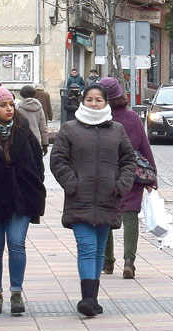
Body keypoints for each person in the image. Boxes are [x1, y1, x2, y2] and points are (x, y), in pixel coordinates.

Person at [51, 84, 137, 318]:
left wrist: (120, 185)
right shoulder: (69, 129)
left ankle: (93, 298)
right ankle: (87, 298)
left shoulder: (117, 130)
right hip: (80, 199)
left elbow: (129, 160)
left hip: (109, 199)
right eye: (89, 99)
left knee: (99, 250)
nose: (94, 104)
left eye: (98, 100)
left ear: (106, 103)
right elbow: (58, 160)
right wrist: (72, 184)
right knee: (87, 248)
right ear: (82, 101)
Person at [0, 85, 45, 316]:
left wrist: (34, 185)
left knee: (16, 243)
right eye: (3, 105)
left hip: (20, 196)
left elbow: (37, 161)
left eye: (11, 104)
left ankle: (16, 292)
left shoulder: (22, 129)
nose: (9, 109)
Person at [97, 77, 155, 279]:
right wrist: (152, 177)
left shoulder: (99, 118)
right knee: (130, 216)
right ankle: (129, 261)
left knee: (106, 217)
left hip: (105, 173)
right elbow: (144, 146)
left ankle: (107, 261)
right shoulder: (132, 118)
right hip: (132, 173)